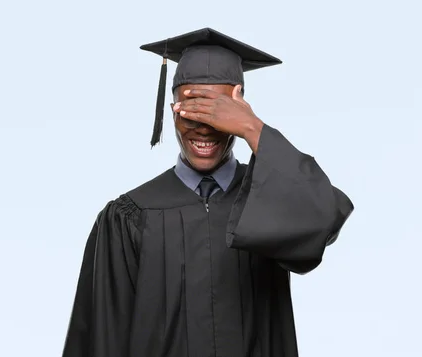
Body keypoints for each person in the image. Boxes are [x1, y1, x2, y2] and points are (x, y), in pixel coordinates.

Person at [61, 28, 354, 357]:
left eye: (219, 112)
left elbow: (325, 217)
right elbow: (101, 339)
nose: (204, 127)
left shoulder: (272, 195)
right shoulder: (129, 217)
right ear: (172, 108)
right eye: (192, 110)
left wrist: (253, 128)